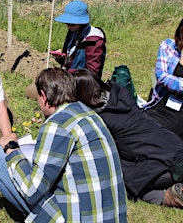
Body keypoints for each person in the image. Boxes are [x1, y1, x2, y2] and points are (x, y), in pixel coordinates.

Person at [0, 68, 127, 222]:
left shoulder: (58, 124)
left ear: (44, 97)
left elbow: (31, 190)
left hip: (78, 217)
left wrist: (11, 149)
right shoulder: (91, 115)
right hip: (111, 216)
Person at [73, 68, 183, 208]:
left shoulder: (101, 120)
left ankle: (169, 197)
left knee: (122, 181)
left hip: (165, 165)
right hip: (175, 145)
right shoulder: (118, 92)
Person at [25, 0, 106, 100]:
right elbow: (69, 60)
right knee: (33, 89)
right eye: (67, 22)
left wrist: (63, 76)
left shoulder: (94, 40)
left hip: (83, 86)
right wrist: (61, 58)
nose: (68, 25)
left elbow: (91, 74)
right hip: (68, 79)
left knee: (41, 92)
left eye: (72, 23)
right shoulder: (73, 32)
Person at [141, 18, 183, 138]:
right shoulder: (168, 47)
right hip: (161, 102)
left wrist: (174, 82)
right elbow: (162, 77)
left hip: (180, 112)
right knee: (139, 124)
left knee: (158, 134)